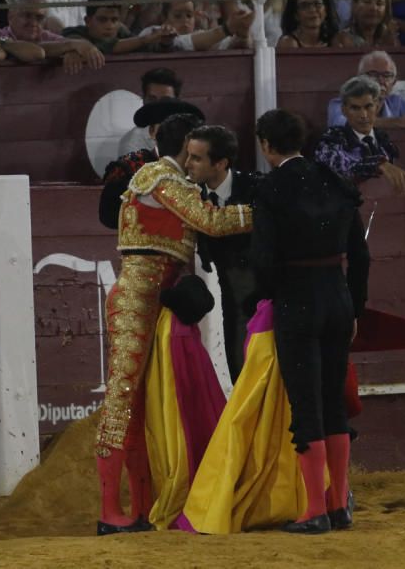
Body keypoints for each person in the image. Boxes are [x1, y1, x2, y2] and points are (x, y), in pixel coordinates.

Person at [94, 110, 252, 535]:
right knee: (122, 399)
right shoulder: (163, 180)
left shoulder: (156, 179)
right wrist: (264, 213)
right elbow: (212, 222)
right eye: (195, 153)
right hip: (137, 300)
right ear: (186, 149)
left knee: (140, 403)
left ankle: (143, 507)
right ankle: (110, 511)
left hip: (152, 301)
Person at [249, 107, 369, 533]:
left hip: (297, 299)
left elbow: (263, 259)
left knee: (306, 405)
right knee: (332, 399)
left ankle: (314, 510)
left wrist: (264, 298)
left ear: (266, 145)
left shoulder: (270, 189)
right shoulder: (335, 181)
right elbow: (362, 255)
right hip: (336, 296)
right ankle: (339, 504)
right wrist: (354, 306)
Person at [184, 124, 260, 382]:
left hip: (265, 295)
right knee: (238, 369)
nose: (188, 164)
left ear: (220, 164)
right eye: (188, 155)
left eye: (196, 158)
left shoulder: (256, 187)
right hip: (229, 294)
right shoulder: (190, 194)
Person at [98, 94, 202, 229]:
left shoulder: (204, 164)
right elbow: (109, 217)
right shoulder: (130, 166)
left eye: (180, 129)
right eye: (166, 126)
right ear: (152, 132)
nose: (174, 133)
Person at [316, 75, 405, 190]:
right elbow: (341, 167)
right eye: (355, 108)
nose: (363, 115)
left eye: (368, 107)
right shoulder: (332, 138)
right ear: (344, 111)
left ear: (377, 107)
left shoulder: (383, 139)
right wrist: (378, 164)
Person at [326, 50, 405, 130]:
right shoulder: (340, 103)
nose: (381, 81)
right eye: (373, 74)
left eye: (387, 75)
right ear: (359, 78)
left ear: (394, 83)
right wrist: (400, 122)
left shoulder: (397, 103)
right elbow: (346, 123)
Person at [332, 0, 398, 48]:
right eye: (367, 2)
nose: (373, 8)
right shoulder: (342, 39)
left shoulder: (389, 38)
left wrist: (392, 37)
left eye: (379, 3)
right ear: (355, 6)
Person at [277, 0, 341, 49]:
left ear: (326, 11)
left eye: (317, 3)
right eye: (304, 5)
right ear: (295, 15)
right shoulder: (288, 43)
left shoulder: (337, 41)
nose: (312, 10)